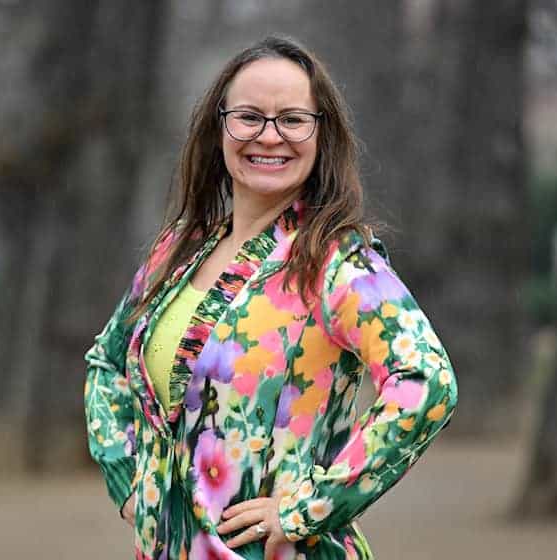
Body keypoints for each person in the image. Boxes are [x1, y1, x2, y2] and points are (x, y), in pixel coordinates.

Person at [84, 35, 457, 560]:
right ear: (219, 129)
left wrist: (307, 507)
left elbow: (426, 383)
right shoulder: (180, 248)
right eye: (249, 116)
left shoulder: (335, 263)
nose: (269, 136)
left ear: (321, 134)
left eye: (292, 119)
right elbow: (108, 362)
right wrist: (129, 485)